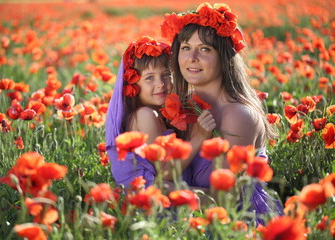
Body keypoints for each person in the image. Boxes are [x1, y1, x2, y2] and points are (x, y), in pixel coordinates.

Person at [161, 2, 283, 223]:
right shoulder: (184, 106)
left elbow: (225, 202)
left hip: (236, 226)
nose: (192, 58)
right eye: (186, 47)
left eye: (205, 49)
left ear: (224, 56)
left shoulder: (238, 116)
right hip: (192, 220)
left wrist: (165, 190)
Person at [105, 36, 215, 189]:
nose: (160, 84)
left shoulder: (159, 113)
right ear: (133, 85)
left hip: (162, 192)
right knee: (219, 198)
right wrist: (201, 137)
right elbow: (165, 173)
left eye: (166, 75)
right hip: (152, 199)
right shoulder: (145, 115)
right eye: (149, 78)